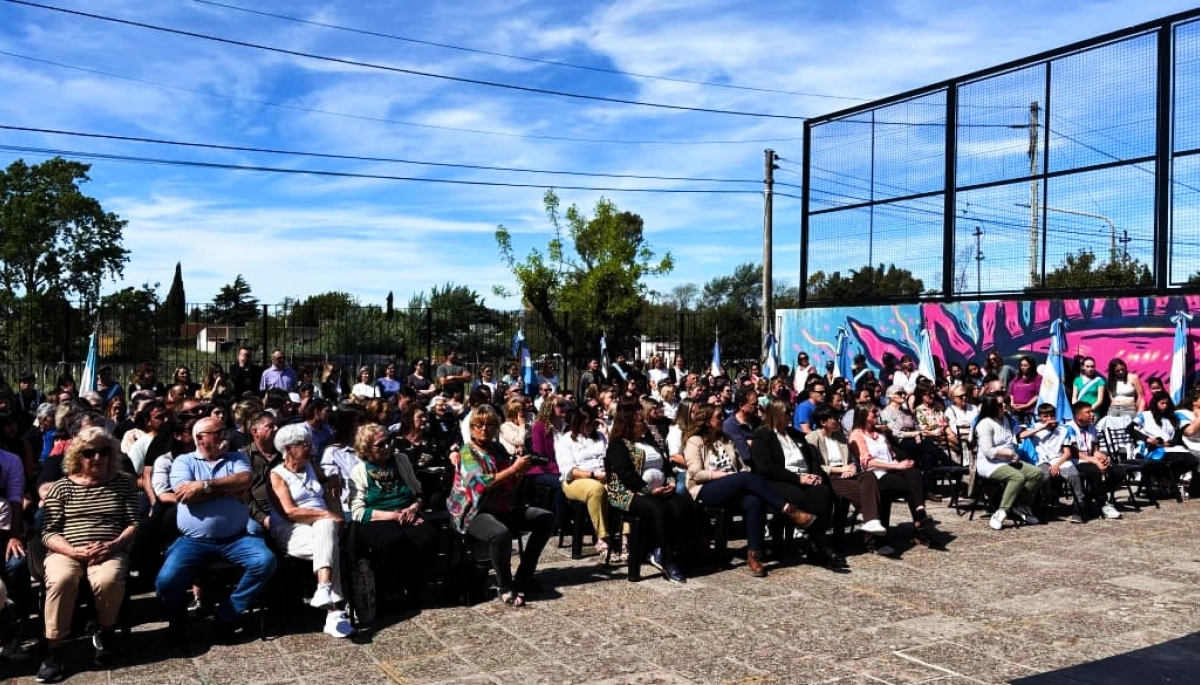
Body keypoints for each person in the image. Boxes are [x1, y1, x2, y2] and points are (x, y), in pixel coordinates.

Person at [156, 417, 277, 644]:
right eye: (219, 432)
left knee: (265, 561)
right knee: (166, 581)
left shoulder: (236, 458)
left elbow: (245, 480)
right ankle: (178, 621)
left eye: (224, 430)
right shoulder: (185, 461)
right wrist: (229, 490)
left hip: (236, 538)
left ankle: (227, 614)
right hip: (193, 540)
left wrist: (204, 486)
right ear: (200, 438)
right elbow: (184, 495)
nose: (225, 436)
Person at [37, 428, 139, 683]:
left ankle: (106, 632)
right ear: (77, 456)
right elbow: (48, 532)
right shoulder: (62, 487)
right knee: (61, 580)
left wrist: (113, 545)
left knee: (107, 579)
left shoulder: (123, 483)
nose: (97, 457)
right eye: (89, 452)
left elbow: (133, 524)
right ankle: (54, 648)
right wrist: (72, 551)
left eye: (104, 451)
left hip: (109, 549)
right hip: (67, 550)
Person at [685, 405, 818, 576]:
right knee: (744, 478)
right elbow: (697, 473)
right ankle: (789, 510)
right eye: (718, 417)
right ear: (707, 421)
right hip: (706, 489)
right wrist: (727, 476)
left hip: (734, 486)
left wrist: (738, 475)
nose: (722, 420)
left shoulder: (726, 439)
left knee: (754, 501)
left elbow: (743, 466)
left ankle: (754, 555)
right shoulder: (695, 441)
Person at [447, 405, 552, 607]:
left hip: (502, 507)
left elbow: (509, 484)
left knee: (545, 518)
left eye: (490, 424)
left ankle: (524, 575)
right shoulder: (467, 452)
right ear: (472, 428)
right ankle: (504, 585)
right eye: (480, 424)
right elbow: (481, 485)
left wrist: (520, 472)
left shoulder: (499, 450)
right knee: (500, 534)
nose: (485, 428)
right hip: (473, 512)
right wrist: (514, 469)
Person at [268, 424, 352, 638]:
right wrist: (327, 515)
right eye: (303, 444)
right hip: (291, 529)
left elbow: (325, 481)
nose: (309, 447)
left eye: (309, 443)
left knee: (326, 530)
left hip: (320, 528)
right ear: (288, 449)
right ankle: (335, 611)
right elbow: (290, 512)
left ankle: (324, 591)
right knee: (329, 538)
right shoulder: (276, 475)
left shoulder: (311, 466)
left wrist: (333, 478)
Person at [348, 423, 438, 613]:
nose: (387, 447)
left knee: (426, 536)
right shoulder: (360, 471)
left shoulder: (401, 460)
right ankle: (389, 591)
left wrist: (414, 508)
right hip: (378, 516)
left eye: (388, 442)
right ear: (366, 449)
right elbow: (357, 511)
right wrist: (393, 516)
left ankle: (416, 587)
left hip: (407, 512)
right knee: (393, 540)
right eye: (380, 445)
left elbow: (418, 491)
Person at [751, 400, 849, 567]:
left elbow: (812, 458)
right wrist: (798, 479)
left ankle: (814, 545)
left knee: (824, 493)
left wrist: (814, 474)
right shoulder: (762, 436)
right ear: (775, 414)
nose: (790, 415)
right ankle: (824, 547)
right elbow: (766, 467)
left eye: (791, 411)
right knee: (800, 497)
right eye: (786, 412)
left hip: (804, 477)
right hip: (776, 481)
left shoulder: (795, 434)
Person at [605, 401, 692, 583]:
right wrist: (649, 490)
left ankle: (661, 550)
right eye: (639, 421)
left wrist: (670, 482)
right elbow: (626, 475)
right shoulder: (618, 445)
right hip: (628, 493)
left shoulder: (648, 441)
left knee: (682, 505)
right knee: (657, 509)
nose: (644, 424)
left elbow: (666, 465)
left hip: (659, 490)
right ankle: (667, 561)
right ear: (628, 423)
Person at [848, 404, 945, 550]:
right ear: (862, 414)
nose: (876, 413)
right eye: (873, 411)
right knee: (911, 486)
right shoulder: (857, 435)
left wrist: (901, 463)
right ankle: (920, 528)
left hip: (891, 468)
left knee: (914, 473)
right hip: (875, 475)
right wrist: (897, 466)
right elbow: (867, 463)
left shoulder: (880, 433)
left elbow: (891, 455)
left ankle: (920, 511)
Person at [800, 403, 890, 552]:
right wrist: (840, 469)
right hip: (830, 478)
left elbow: (850, 460)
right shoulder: (811, 438)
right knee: (874, 496)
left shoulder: (840, 436)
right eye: (834, 418)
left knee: (869, 476)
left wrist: (852, 468)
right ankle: (873, 541)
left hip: (848, 475)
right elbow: (816, 467)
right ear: (823, 422)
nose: (838, 420)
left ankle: (872, 524)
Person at [973, 394, 1045, 531]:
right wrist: (1009, 453)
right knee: (1017, 477)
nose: (1004, 406)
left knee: (1036, 474)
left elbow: (1018, 436)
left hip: (1008, 461)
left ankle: (1022, 506)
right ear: (992, 407)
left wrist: (1042, 428)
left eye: (1005, 402)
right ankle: (1001, 512)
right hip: (990, 464)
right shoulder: (984, 424)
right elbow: (988, 451)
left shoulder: (1008, 419)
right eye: (1000, 405)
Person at [555, 403, 613, 557]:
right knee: (596, 489)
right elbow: (570, 470)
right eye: (587, 424)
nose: (590, 427)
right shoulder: (567, 440)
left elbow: (610, 457)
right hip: (575, 480)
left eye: (593, 423)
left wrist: (607, 435)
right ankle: (602, 537)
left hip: (603, 476)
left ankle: (627, 538)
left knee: (624, 489)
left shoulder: (599, 436)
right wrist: (593, 475)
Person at [1019, 403, 1089, 523]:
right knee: (1043, 476)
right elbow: (1021, 435)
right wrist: (1042, 427)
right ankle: (1047, 503)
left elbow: (1067, 453)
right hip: (1043, 460)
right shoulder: (1035, 427)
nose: (1049, 419)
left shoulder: (1063, 430)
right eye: (1045, 416)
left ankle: (1079, 506)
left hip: (1060, 459)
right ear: (1040, 417)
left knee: (1073, 475)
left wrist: (1057, 465)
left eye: (1052, 415)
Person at [1131, 391, 1200, 495]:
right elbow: (1130, 428)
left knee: (1192, 461)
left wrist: (1171, 442)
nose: (1165, 406)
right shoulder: (1144, 415)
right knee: (1175, 460)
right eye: (1162, 403)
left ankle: (1170, 480)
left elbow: (1177, 434)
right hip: (1150, 447)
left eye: (1167, 404)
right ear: (1155, 403)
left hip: (1169, 447)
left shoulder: (1171, 417)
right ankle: (1166, 480)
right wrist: (1146, 439)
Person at [1064, 402, 1123, 520]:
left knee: (1119, 472)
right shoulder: (1069, 428)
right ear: (1078, 416)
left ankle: (1091, 495)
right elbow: (1074, 452)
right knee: (1095, 471)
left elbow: (1095, 448)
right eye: (1088, 412)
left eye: (1092, 411)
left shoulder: (1092, 427)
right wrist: (1095, 461)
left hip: (1091, 458)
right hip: (1077, 461)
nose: (1092, 414)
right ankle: (1103, 503)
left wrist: (1100, 456)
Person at [1105, 358, 1144, 426]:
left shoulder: (1133, 377)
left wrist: (1138, 410)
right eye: (1117, 371)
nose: (1121, 372)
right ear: (1113, 371)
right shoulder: (1110, 380)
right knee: (1112, 430)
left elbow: (1140, 395)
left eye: (1122, 369)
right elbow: (1111, 398)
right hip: (1114, 409)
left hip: (1129, 408)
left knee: (1127, 431)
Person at [1007, 356, 1042, 424]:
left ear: (1031, 366)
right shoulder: (1017, 378)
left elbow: (1038, 395)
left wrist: (1027, 405)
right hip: (1015, 411)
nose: (1023, 367)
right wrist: (1012, 403)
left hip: (1029, 412)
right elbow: (1011, 393)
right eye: (1021, 365)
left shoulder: (1038, 378)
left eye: (1025, 365)